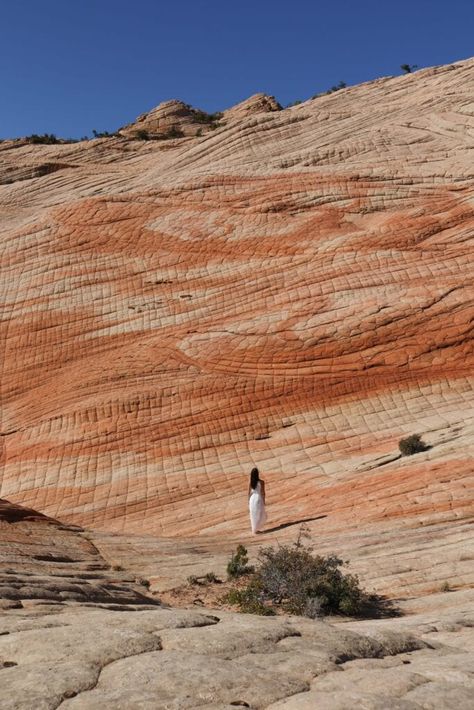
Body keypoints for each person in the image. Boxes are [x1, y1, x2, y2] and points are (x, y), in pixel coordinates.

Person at [248, 467, 266, 534]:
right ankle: (256, 529)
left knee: (253, 514)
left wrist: (248, 501)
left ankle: (254, 529)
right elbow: (263, 492)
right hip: (258, 498)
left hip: (252, 499)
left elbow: (248, 492)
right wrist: (264, 500)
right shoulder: (261, 482)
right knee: (259, 513)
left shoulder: (251, 482)